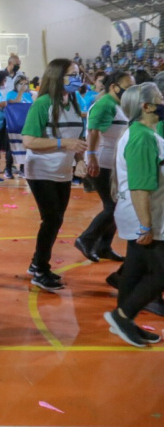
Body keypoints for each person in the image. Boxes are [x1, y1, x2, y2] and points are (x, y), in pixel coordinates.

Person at [104, 83, 164, 347]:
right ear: (147, 106)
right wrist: (146, 226)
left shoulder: (144, 133)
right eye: (160, 98)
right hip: (144, 214)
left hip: (143, 213)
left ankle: (124, 321)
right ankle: (123, 316)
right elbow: (141, 186)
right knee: (160, 272)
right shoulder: (141, 137)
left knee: (135, 268)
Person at [21, 59, 87, 291]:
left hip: (63, 171)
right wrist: (63, 143)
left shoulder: (75, 102)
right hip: (41, 170)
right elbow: (29, 140)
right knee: (51, 219)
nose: (77, 79)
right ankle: (40, 269)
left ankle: (36, 263)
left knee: (56, 219)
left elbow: (77, 139)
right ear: (58, 77)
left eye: (78, 74)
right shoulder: (43, 103)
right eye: (72, 75)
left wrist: (80, 161)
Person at [75, 71, 134, 263]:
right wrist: (92, 157)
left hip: (114, 163)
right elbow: (93, 132)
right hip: (102, 162)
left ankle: (104, 246)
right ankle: (86, 239)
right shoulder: (105, 104)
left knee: (116, 205)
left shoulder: (119, 105)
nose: (131, 91)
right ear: (114, 87)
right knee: (114, 205)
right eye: (128, 87)